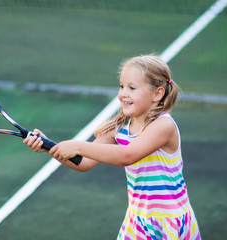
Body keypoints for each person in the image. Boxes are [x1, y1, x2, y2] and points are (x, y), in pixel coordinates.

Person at [23, 55, 201, 240]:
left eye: (132, 88)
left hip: (169, 222)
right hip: (136, 223)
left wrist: (78, 146)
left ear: (157, 94)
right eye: (122, 86)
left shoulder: (163, 125)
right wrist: (48, 147)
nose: (124, 93)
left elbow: (127, 155)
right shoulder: (120, 126)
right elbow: (83, 163)